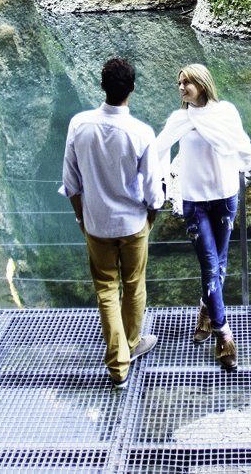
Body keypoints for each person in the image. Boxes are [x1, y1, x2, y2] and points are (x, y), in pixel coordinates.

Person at [148, 63, 251, 373]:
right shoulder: (180, 119)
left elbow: (241, 142)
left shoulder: (225, 111)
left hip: (226, 196)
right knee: (210, 265)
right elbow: (157, 150)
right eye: (179, 83)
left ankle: (205, 310)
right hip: (194, 201)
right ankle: (223, 333)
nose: (182, 88)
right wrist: (156, 186)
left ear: (202, 84)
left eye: (187, 82)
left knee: (220, 263)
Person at [61, 57, 166, 388]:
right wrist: (151, 215)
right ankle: (131, 344)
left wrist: (81, 216)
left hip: (96, 224)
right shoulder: (141, 132)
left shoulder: (79, 125)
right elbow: (153, 189)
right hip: (133, 224)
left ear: (101, 86)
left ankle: (118, 365)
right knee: (134, 285)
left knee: (106, 289)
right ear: (132, 88)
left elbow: (71, 182)